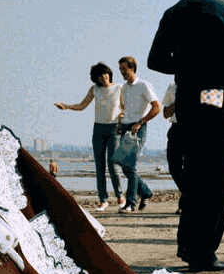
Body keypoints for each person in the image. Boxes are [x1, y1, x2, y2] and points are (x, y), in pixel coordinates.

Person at [148, 0, 224, 271]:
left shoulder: (175, 11)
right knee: (217, 178)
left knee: (194, 177)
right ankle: (204, 251)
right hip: (216, 98)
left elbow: (156, 60)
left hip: (188, 99)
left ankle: (189, 247)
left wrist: (188, 65)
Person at [54, 62, 125, 211]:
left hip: (114, 128)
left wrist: (122, 117)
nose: (103, 77)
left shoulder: (119, 88)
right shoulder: (94, 89)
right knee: (99, 166)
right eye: (100, 75)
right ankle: (103, 200)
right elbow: (82, 105)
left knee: (113, 164)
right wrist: (66, 106)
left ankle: (120, 196)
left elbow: (125, 108)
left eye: (105, 73)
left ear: (109, 74)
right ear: (95, 78)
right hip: (98, 128)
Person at [117, 57, 160, 212]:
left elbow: (156, 108)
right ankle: (146, 192)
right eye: (120, 69)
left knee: (130, 165)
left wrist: (140, 122)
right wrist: (120, 123)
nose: (122, 72)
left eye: (124, 69)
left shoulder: (144, 85)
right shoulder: (124, 87)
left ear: (132, 68)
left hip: (138, 128)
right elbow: (126, 108)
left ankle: (130, 203)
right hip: (125, 127)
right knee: (125, 166)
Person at [162, 82, 182, 214]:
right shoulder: (172, 86)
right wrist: (180, 101)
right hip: (176, 128)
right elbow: (166, 114)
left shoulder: (202, 83)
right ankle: (190, 197)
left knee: (192, 168)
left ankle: (185, 203)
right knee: (174, 167)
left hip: (196, 129)